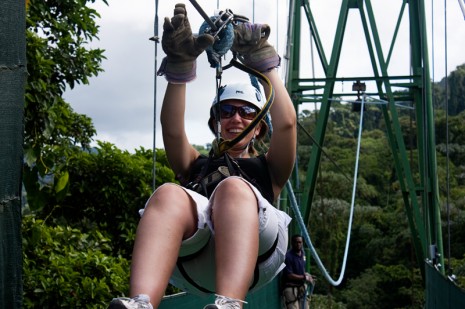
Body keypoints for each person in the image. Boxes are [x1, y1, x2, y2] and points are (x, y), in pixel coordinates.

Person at [108, 3, 296, 309]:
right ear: (215, 122)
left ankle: (231, 304)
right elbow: (171, 131)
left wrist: (264, 62)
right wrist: (179, 67)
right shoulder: (195, 165)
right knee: (168, 193)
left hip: (255, 256)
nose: (236, 118)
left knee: (233, 188)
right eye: (226, 111)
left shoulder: (269, 169)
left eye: (247, 111)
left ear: (260, 128)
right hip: (195, 258)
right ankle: (141, 303)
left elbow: (287, 124)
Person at [282, 235, 314, 309]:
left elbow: (301, 269)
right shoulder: (288, 256)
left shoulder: (303, 254)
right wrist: (304, 277)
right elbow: (289, 275)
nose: (298, 244)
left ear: (302, 243)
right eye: (296, 242)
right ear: (292, 243)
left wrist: (307, 275)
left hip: (301, 287)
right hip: (290, 288)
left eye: (300, 242)